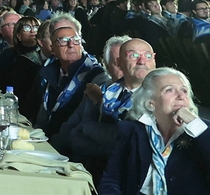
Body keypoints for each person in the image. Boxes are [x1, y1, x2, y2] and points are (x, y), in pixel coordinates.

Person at [56, 37, 155, 175]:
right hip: (89, 172)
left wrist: (87, 128)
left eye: (148, 56)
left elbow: (127, 146)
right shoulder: (103, 90)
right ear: (119, 62)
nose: (142, 61)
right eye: (134, 56)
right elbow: (73, 137)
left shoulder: (159, 98)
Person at [36, 18, 106, 135]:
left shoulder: (96, 76)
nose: (71, 44)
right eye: (63, 41)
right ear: (52, 49)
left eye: (76, 40)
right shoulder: (50, 71)